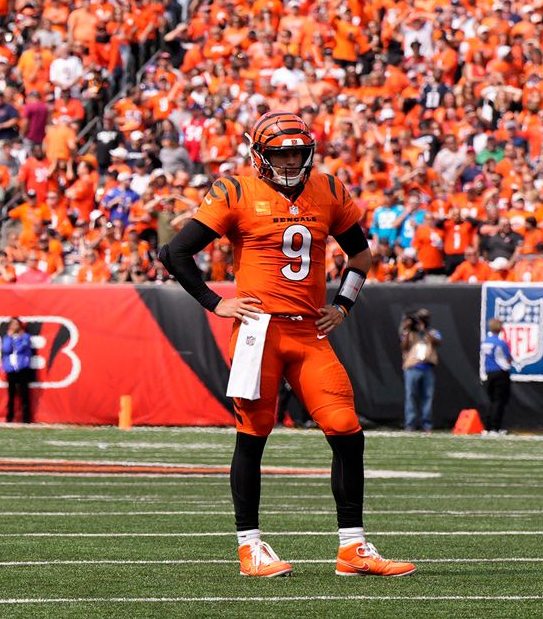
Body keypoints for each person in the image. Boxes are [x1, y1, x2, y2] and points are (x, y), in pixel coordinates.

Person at [158, 111, 415, 578]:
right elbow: (173, 253)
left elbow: (360, 255)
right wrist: (215, 304)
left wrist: (344, 304)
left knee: (347, 431)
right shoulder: (235, 190)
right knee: (254, 436)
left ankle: (352, 548)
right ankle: (249, 547)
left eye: (298, 152)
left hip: (310, 331)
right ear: (261, 156)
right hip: (259, 331)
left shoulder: (330, 190)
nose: (292, 161)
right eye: (282, 153)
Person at [400, 309, 442, 431]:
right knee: (410, 396)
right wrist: (407, 329)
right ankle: (410, 424)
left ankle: (426, 424)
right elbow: (403, 346)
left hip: (427, 368)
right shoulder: (409, 333)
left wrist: (424, 331)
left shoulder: (432, 332)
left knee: (427, 397)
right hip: (411, 368)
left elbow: (438, 341)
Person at [480, 318, 513, 434]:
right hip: (500, 373)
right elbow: (508, 359)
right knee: (499, 401)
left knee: (491, 400)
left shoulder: (485, 342)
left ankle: (487, 427)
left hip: (489, 373)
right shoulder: (501, 343)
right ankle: (495, 428)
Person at [0, 318, 36, 423]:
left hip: (22, 368)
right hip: (11, 369)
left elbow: (22, 348)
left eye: (16, 324)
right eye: (12, 324)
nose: (14, 326)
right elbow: (6, 349)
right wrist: (11, 338)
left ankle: (26, 418)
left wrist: (18, 339)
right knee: (11, 394)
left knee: (24, 394)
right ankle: (9, 417)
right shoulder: (7, 338)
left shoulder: (25, 337)